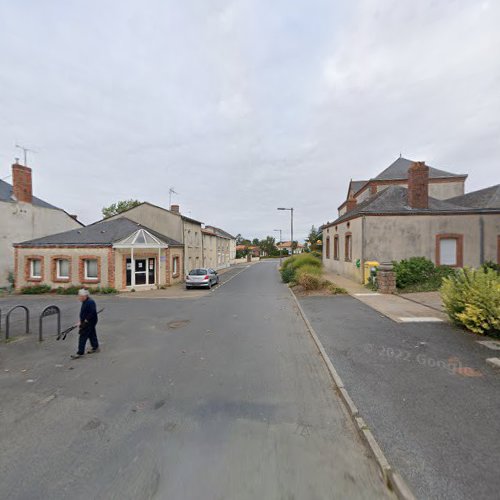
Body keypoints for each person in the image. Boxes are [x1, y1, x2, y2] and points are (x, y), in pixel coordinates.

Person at [71, 289, 99, 359]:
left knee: (82, 336)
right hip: (89, 322)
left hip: (89, 322)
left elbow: (92, 312)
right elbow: (85, 313)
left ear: (85, 296)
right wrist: (81, 321)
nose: (79, 298)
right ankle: (95, 347)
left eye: (80, 296)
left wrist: (85, 321)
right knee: (91, 334)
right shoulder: (85, 301)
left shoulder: (90, 302)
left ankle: (80, 352)